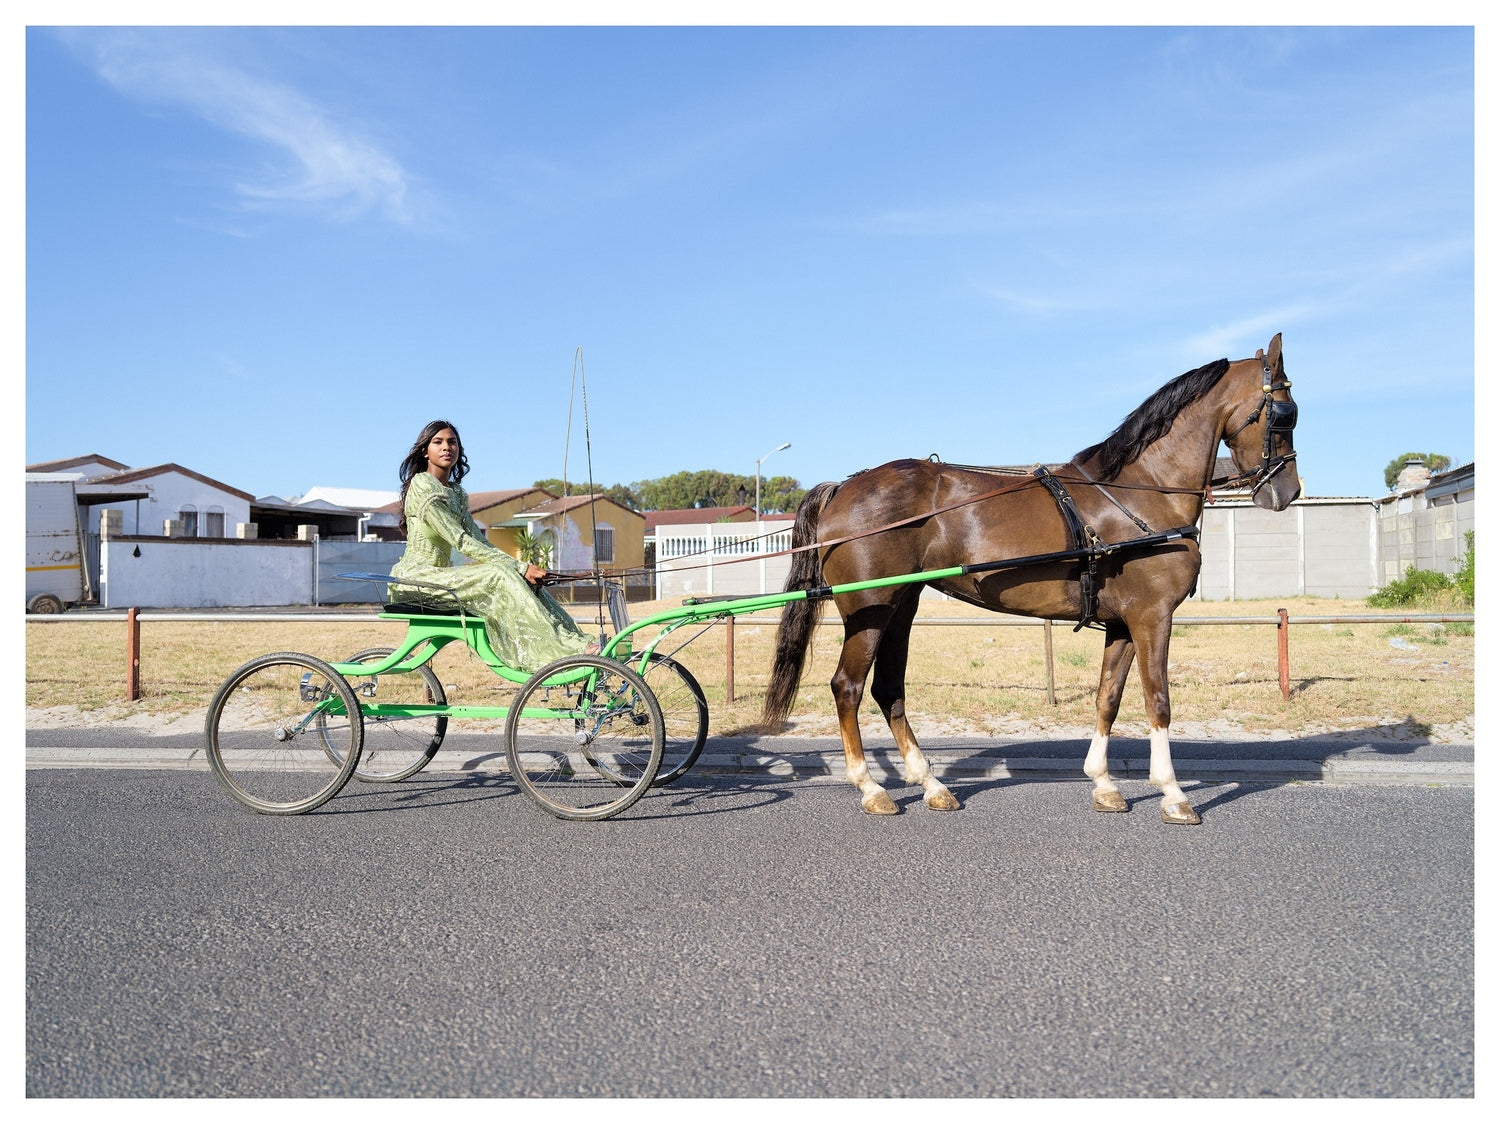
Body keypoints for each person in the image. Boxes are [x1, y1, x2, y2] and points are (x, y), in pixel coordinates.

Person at [388, 419, 597, 673]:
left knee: (521, 580)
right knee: (500, 575)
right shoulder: (423, 485)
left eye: (452, 442)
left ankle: (577, 640)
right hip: (417, 580)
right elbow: (460, 540)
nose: (446, 447)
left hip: (440, 578)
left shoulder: (456, 493)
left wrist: (522, 569)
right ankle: (564, 650)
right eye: (438, 442)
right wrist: (520, 567)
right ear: (425, 451)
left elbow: (479, 540)